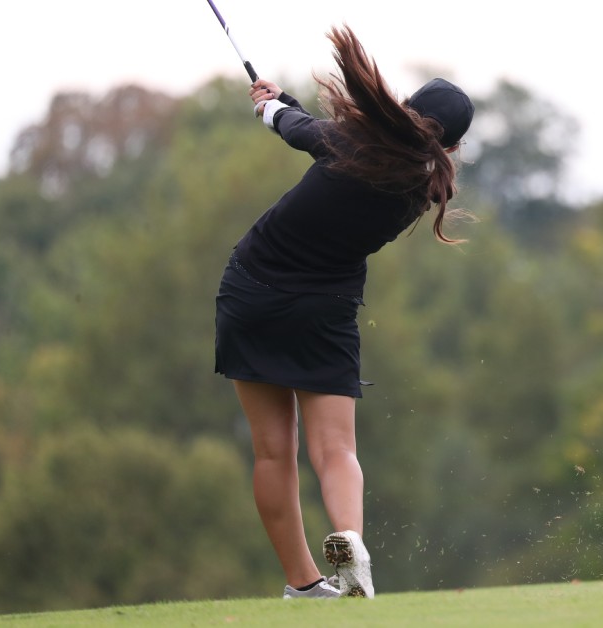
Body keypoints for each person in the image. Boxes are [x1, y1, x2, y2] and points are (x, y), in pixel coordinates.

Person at [213, 24, 474, 599]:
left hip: (249, 291)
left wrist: (270, 106)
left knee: (272, 451)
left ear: (402, 110)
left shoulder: (349, 143)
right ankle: (349, 538)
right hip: (322, 310)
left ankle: (303, 583)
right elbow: (319, 135)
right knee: (335, 449)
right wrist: (283, 108)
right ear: (449, 148)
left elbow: (301, 130)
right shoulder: (417, 192)